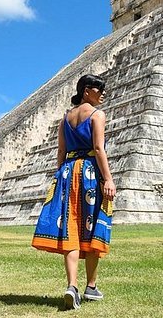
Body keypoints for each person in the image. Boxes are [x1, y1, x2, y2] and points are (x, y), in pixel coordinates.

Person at [32, 74, 116, 310]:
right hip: (89, 173)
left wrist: (60, 177)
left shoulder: (65, 119)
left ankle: (72, 286)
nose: (103, 95)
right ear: (87, 91)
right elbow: (98, 148)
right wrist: (108, 179)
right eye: (100, 90)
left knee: (70, 228)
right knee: (92, 227)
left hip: (68, 173)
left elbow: (60, 151)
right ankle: (91, 286)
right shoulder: (97, 115)